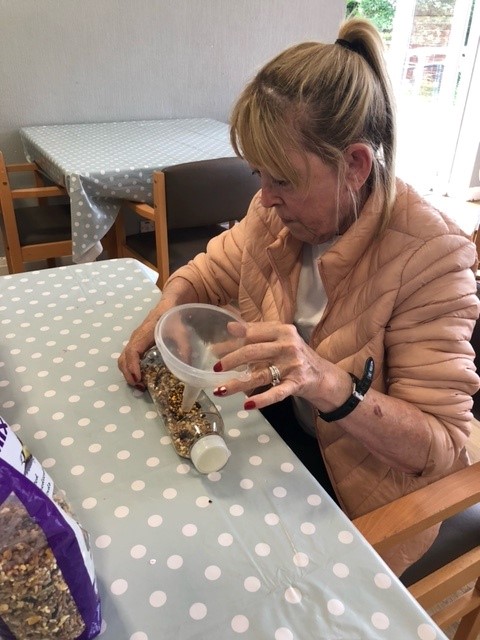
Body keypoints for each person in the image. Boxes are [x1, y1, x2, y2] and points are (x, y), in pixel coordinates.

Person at [118, 17, 480, 576]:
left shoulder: (431, 257)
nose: (264, 197)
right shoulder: (275, 213)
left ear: (354, 165)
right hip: (280, 431)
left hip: (364, 490)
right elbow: (211, 269)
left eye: (282, 180)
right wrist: (165, 308)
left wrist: (326, 381)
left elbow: (442, 447)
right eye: (259, 175)